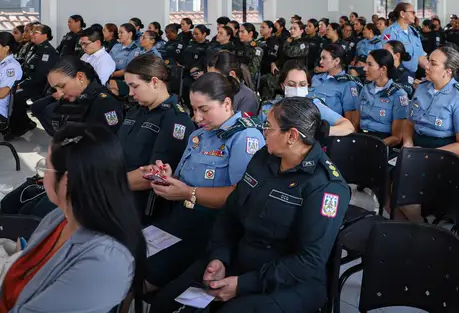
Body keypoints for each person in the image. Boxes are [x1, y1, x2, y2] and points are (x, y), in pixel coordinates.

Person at [148, 98, 349, 313]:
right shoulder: (264, 158)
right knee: (166, 302)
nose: (263, 132)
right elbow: (231, 212)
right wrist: (219, 256)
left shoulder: (326, 186)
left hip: (288, 281)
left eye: (268, 127)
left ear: (291, 136)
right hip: (240, 259)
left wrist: (243, 285)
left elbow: (308, 261)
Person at [0, 123, 145, 313]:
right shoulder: (59, 217)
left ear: (68, 181)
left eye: (47, 167)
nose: (43, 176)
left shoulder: (104, 262)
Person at [142, 73, 266, 291]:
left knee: (147, 277)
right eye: (194, 109)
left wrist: (188, 192)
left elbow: (241, 197)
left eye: (204, 109)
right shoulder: (199, 135)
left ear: (226, 103)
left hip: (212, 226)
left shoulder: (245, 137)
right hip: (180, 216)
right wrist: (168, 177)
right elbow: (184, 179)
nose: (197, 117)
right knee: (130, 257)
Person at [1, 58, 127, 218]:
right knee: (9, 203)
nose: (59, 93)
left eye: (62, 86)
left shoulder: (104, 103)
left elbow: (101, 152)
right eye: (55, 88)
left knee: (30, 214)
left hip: (85, 180)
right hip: (65, 172)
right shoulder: (75, 99)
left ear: (80, 77)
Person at [117, 55, 196, 217]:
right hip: (118, 197)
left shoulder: (175, 119)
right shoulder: (135, 111)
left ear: (154, 82)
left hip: (142, 209)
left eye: (135, 86)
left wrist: (106, 184)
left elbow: (155, 174)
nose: (131, 93)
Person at [404, 45, 459, 170]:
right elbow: (409, 122)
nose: (426, 66)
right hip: (416, 148)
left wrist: (427, 155)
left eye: (433, 64)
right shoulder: (421, 89)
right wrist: (407, 143)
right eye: (428, 60)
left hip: (445, 154)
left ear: (447, 71)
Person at [261, 61, 355, 138]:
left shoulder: (314, 106)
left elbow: (348, 127)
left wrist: (323, 131)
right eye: (291, 84)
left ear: (308, 86)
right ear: (282, 85)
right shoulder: (269, 107)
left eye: (302, 85)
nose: (297, 88)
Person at [7, 24, 59, 138]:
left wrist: (21, 85)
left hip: (39, 86)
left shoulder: (48, 52)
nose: (32, 34)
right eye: (32, 32)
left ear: (45, 35)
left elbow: (40, 76)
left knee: (16, 97)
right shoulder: (33, 47)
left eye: (36, 32)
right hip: (29, 81)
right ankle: (24, 123)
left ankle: (19, 127)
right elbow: (24, 65)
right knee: (9, 93)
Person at [358, 49, 409, 144]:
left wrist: (376, 146)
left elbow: (397, 137)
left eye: (370, 64)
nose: (365, 68)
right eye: (366, 64)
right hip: (361, 137)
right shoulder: (365, 89)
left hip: (382, 142)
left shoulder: (398, 94)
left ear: (383, 69)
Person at [311, 44, 361, 127]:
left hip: (330, 132)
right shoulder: (315, 78)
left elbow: (351, 122)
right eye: (321, 58)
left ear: (336, 61)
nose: (320, 62)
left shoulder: (348, 84)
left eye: (324, 58)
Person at [207, 51, 260, 116]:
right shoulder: (215, 92)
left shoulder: (247, 97)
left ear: (232, 74)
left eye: (216, 77)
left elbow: (243, 124)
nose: (211, 81)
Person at [381, 2, 426, 74]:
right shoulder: (390, 32)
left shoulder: (413, 31)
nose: (415, 15)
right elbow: (388, 56)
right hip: (397, 74)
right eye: (412, 12)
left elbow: (420, 55)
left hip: (412, 74)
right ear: (402, 14)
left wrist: (430, 68)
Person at [108, 23, 140, 96]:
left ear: (130, 34)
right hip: (110, 74)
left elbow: (128, 69)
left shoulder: (135, 50)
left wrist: (112, 74)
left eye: (121, 32)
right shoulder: (116, 46)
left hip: (124, 79)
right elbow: (107, 61)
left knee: (111, 90)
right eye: (118, 33)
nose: (119, 35)